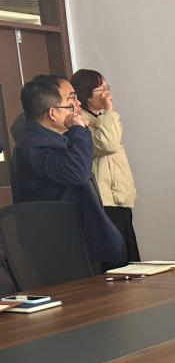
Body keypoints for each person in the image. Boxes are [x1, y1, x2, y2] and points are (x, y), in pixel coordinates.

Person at [13, 75, 125, 265]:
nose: (78, 104)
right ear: (52, 113)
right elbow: (77, 173)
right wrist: (78, 130)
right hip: (61, 246)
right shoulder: (34, 146)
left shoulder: (52, 139)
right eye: (71, 99)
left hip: (77, 240)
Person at [71, 69, 141, 263]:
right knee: (115, 259)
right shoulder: (80, 121)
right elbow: (108, 145)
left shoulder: (102, 117)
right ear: (86, 95)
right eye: (101, 89)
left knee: (130, 258)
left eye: (107, 88)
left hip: (119, 197)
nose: (107, 93)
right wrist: (110, 111)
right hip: (104, 199)